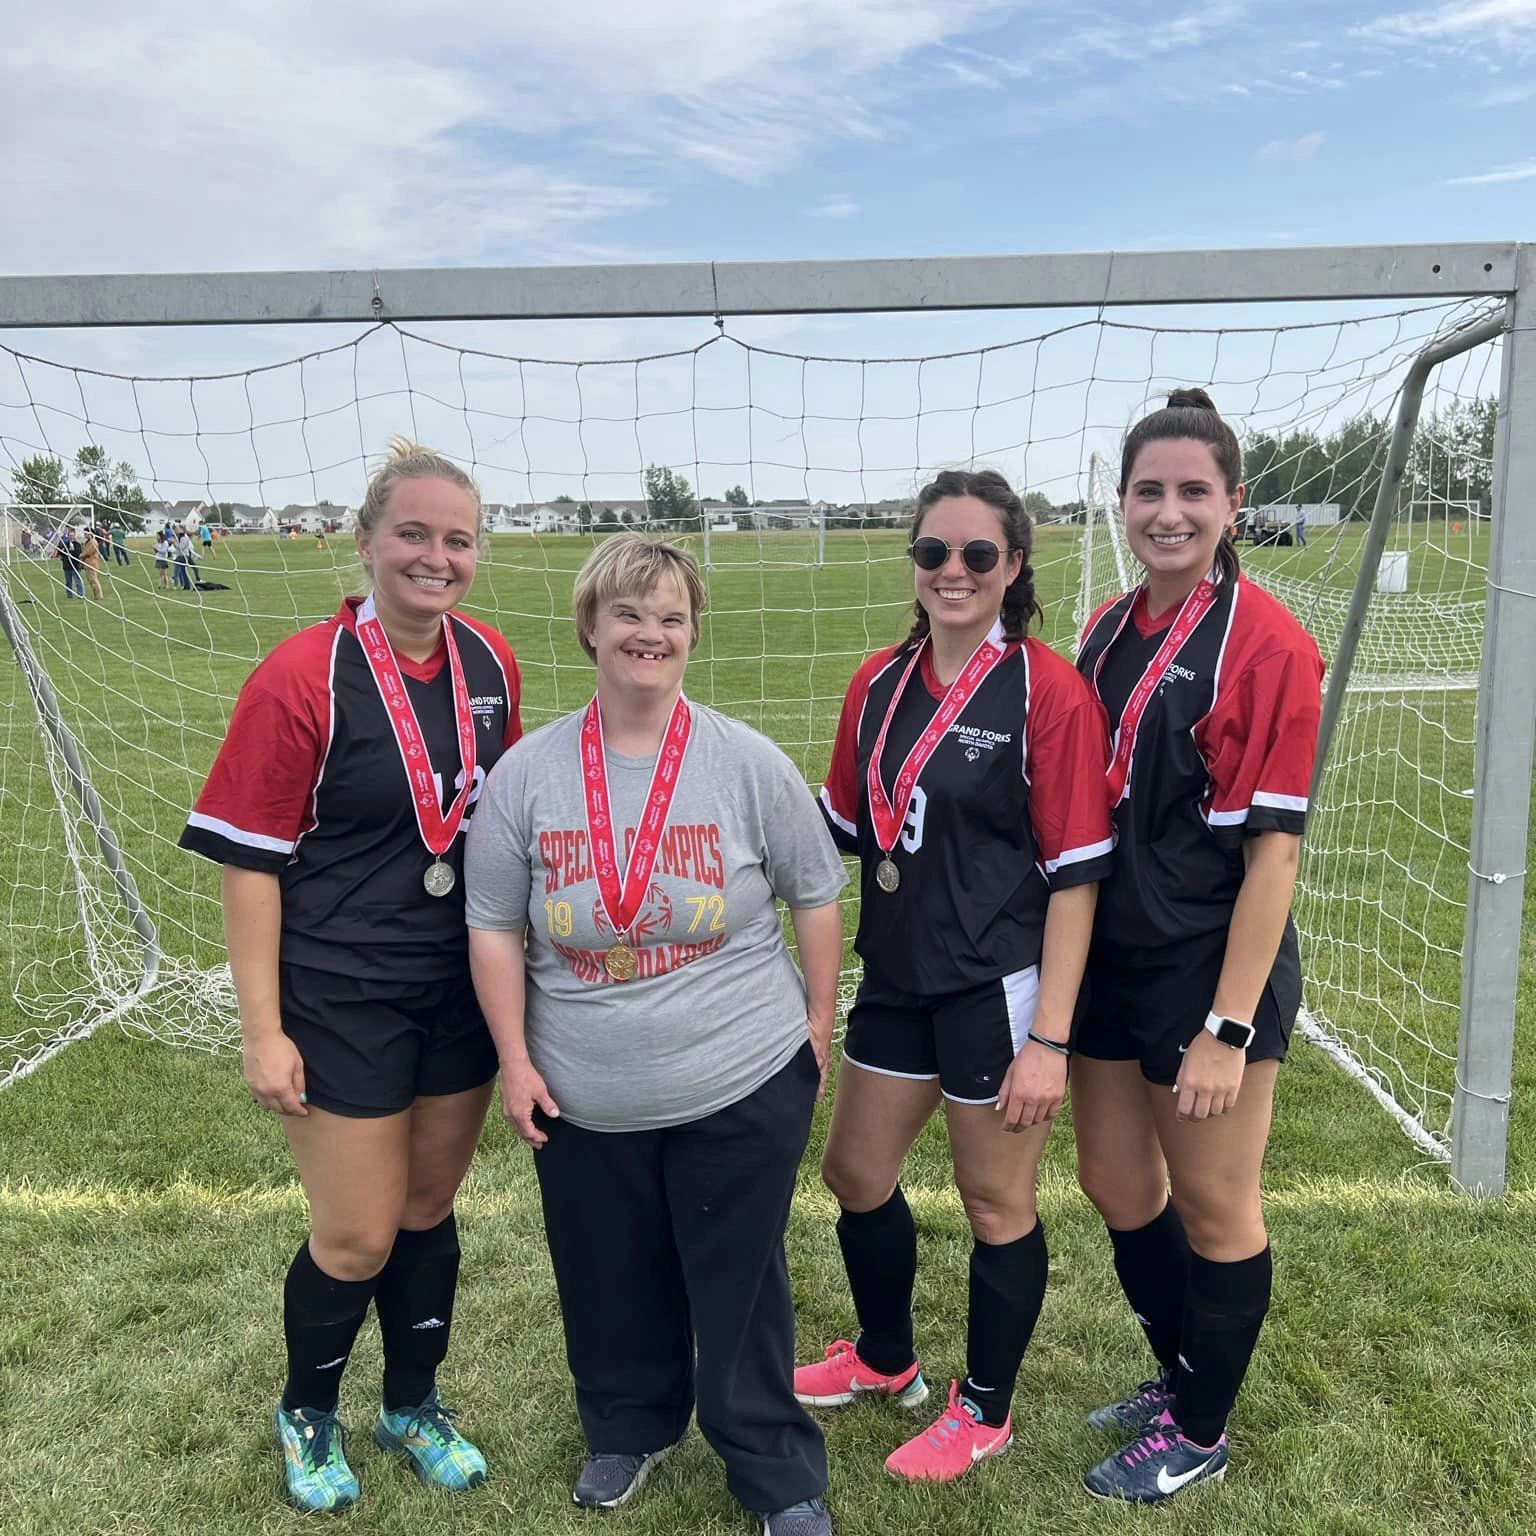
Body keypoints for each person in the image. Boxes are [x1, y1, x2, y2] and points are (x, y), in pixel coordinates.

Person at [465, 534, 846, 1536]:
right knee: (606, 1270)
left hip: (740, 1074)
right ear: (591, 626)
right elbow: (493, 927)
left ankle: (770, 1464)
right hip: (584, 1088)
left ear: (691, 634)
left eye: (672, 617)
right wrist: (513, 1058)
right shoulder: (528, 773)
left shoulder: (745, 760)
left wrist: (815, 1018)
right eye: (630, 614)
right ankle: (628, 1426)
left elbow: (814, 891)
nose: (651, 634)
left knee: (741, 1284)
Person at [179, 441, 523, 1513]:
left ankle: (414, 1404)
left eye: (456, 539)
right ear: (366, 540)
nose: (435, 556)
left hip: (456, 985)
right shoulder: (301, 673)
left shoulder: (491, 664)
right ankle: (307, 1412)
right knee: (357, 1232)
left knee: (427, 1210)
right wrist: (262, 1028)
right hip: (339, 991)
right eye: (412, 534)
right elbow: (251, 864)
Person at [793, 469, 1113, 1484]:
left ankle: (986, 1408)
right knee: (853, 1174)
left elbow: (1075, 879)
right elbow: (845, 828)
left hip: (995, 988)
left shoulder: (1046, 691)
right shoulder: (877, 685)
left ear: (1014, 566)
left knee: (993, 1203)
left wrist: (1050, 1041)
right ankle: (887, 1359)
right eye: (934, 552)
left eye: (979, 554)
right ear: (915, 564)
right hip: (895, 976)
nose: (954, 572)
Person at [1071, 389, 1324, 1503]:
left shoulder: (1267, 644)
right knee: (1117, 1182)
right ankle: (1179, 1373)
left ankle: (1201, 1429)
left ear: (1233, 504)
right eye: (1148, 491)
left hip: (1209, 967)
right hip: (1112, 957)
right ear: (1123, 502)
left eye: (1192, 492)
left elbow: (1273, 856)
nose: (1167, 513)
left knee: (1216, 1204)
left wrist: (1227, 1026)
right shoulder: (1108, 628)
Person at [78, 523, 104, 599]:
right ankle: (96, 595)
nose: (84, 535)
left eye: (86, 533)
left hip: (91, 564)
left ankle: (99, 596)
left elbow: (89, 552)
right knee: (91, 580)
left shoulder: (93, 542)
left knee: (93, 580)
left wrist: (81, 555)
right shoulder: (88, 542)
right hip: (87, 564)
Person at [57, 526, 84, 598]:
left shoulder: (78, 544)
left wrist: (71, 551)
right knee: (68, 582)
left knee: (78, 581)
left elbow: (78, 553)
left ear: (75, 535)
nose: (71, 537)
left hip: (75, 565)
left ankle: (80, 594)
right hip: (67, 565)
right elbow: (60, 551)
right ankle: (69, 595)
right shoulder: (65, 543)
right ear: (68, 536)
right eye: (70, 535)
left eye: (72, 535)